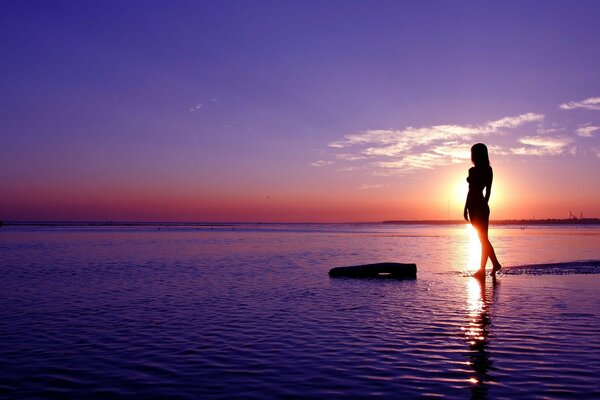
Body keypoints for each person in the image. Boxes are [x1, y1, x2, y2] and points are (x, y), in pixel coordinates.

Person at [463, 143, 502, 279]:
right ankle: (492, 265)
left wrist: (480, 207)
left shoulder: (479, 171)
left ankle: (485, 268)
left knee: (483, 239)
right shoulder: (480, 170)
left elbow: (484, 191)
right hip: (476, 206)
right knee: (483, 239)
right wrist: (466, 208)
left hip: (478, 207)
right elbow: (477, 191)